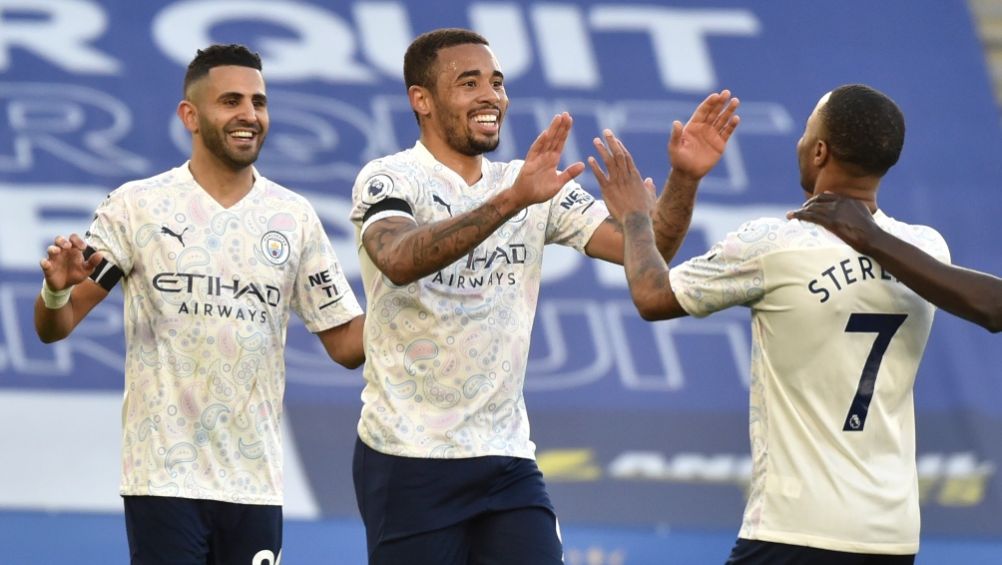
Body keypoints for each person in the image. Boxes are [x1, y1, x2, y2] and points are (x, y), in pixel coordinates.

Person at [348, 27, 739, 564]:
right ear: (422, 100)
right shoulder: (390, 177)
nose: (491, 96)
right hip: (407, 456)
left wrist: (684, 179)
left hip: (507, 457)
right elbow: (397, 260)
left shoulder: (533, 185)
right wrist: (513, 200)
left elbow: (646, 253)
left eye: (497, 82)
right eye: (469, 83)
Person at [34, 44, 365, 564]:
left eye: (258, 102)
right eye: (230, 101)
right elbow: (58, 324)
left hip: (255, 483)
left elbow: (346, 344)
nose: (249, 115)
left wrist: (402, 305)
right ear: (190, 115)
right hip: (163, 478)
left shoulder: (293, 217)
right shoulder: (136, 206)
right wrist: (56, 289)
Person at [590, 84, 949, 564]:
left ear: (819, 152)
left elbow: (652, 296)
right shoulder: (928, 249)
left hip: (796, 529)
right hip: (891, 534)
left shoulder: (773, 245)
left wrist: (637, 215)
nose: (800, 143)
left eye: (807, 133)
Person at [789, 192, 1002, 333]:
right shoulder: (929, 244)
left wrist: (873, 238)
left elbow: (996, 305)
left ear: (820, 151)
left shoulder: (775, 248)